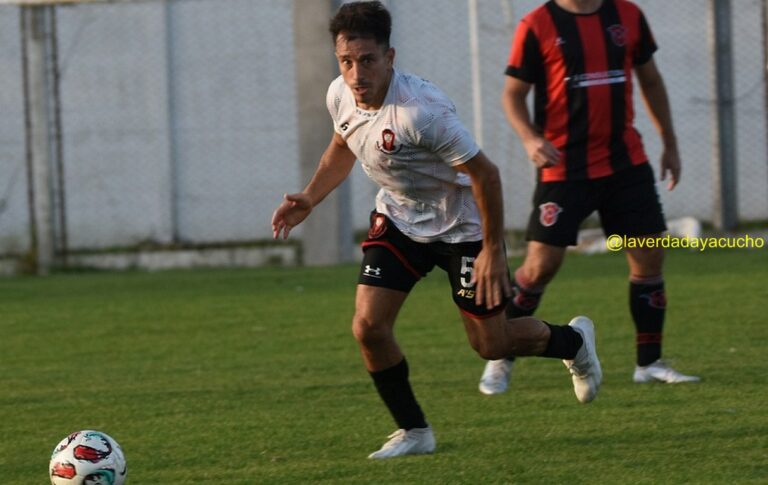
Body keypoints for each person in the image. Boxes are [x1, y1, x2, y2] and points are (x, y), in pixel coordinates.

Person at [271, 1, 602, 460]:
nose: (355, 74)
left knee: (492, 344)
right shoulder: (339, 94)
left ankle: (574, 341)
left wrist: (490, 251)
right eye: (346, 61)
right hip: (400, 222)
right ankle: (414, 431)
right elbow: (342, 143)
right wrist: (311, 195)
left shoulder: (421, 112)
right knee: (368, 328)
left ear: (390, 57)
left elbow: (486, 175)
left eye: (367, 60)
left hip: (463, 227)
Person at [478, 0, 699, 396]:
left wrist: (670, 142)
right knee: (541, 265)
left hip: (624, 161)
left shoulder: (628, 15)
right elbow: (513, 94)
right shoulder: (536, 25)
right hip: (564, 166)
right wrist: (531, 138)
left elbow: (650, 79)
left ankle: (649, 363)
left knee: (649, 255)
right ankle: (502, 354)